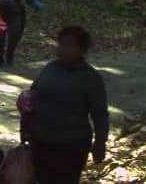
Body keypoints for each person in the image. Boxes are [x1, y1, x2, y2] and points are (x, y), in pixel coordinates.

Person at [22, 26, 109, 184]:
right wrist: (25, 126)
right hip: (41, 141)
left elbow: (100, 114)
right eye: (61, 44)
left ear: (82, 50)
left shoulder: (90, 78)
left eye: (69, 45)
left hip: (71, 145)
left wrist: (100, 143)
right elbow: (31, 99)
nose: (63, 49)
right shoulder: (50, 69)